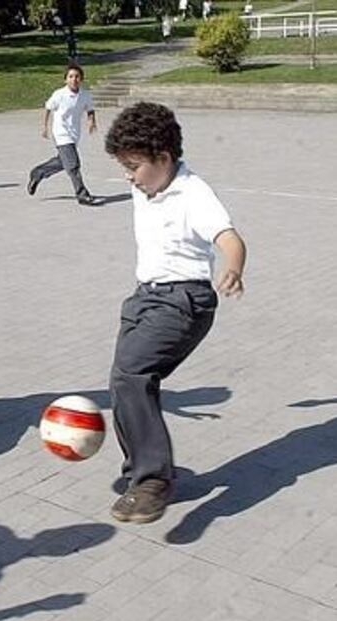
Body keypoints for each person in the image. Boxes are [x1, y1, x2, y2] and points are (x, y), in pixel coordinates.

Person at [103, 102, 247, 524]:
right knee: (123, 382)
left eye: (133, 166)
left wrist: (233, 267)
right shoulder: (146, 184)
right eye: (124, 167)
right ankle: (142, 470)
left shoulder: (194, 193)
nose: (128, 177)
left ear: (164, 159)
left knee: (132, 375)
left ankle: (153, 481)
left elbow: (230, 237)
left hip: (184, 302)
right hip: (143, 299)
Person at [27, 64, 103, 206]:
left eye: (77, 77)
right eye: (71, 76)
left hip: (74, 134)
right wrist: (44, 127)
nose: (74, 79)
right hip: (61, 133)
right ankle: (82, 195)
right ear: (65, 79)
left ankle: (38, 173)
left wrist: (92, 121)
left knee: (63, 162)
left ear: (82, 79)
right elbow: (48, 108)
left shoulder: (85, 94)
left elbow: (90, 109)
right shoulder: (59, 94)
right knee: (73, 164)